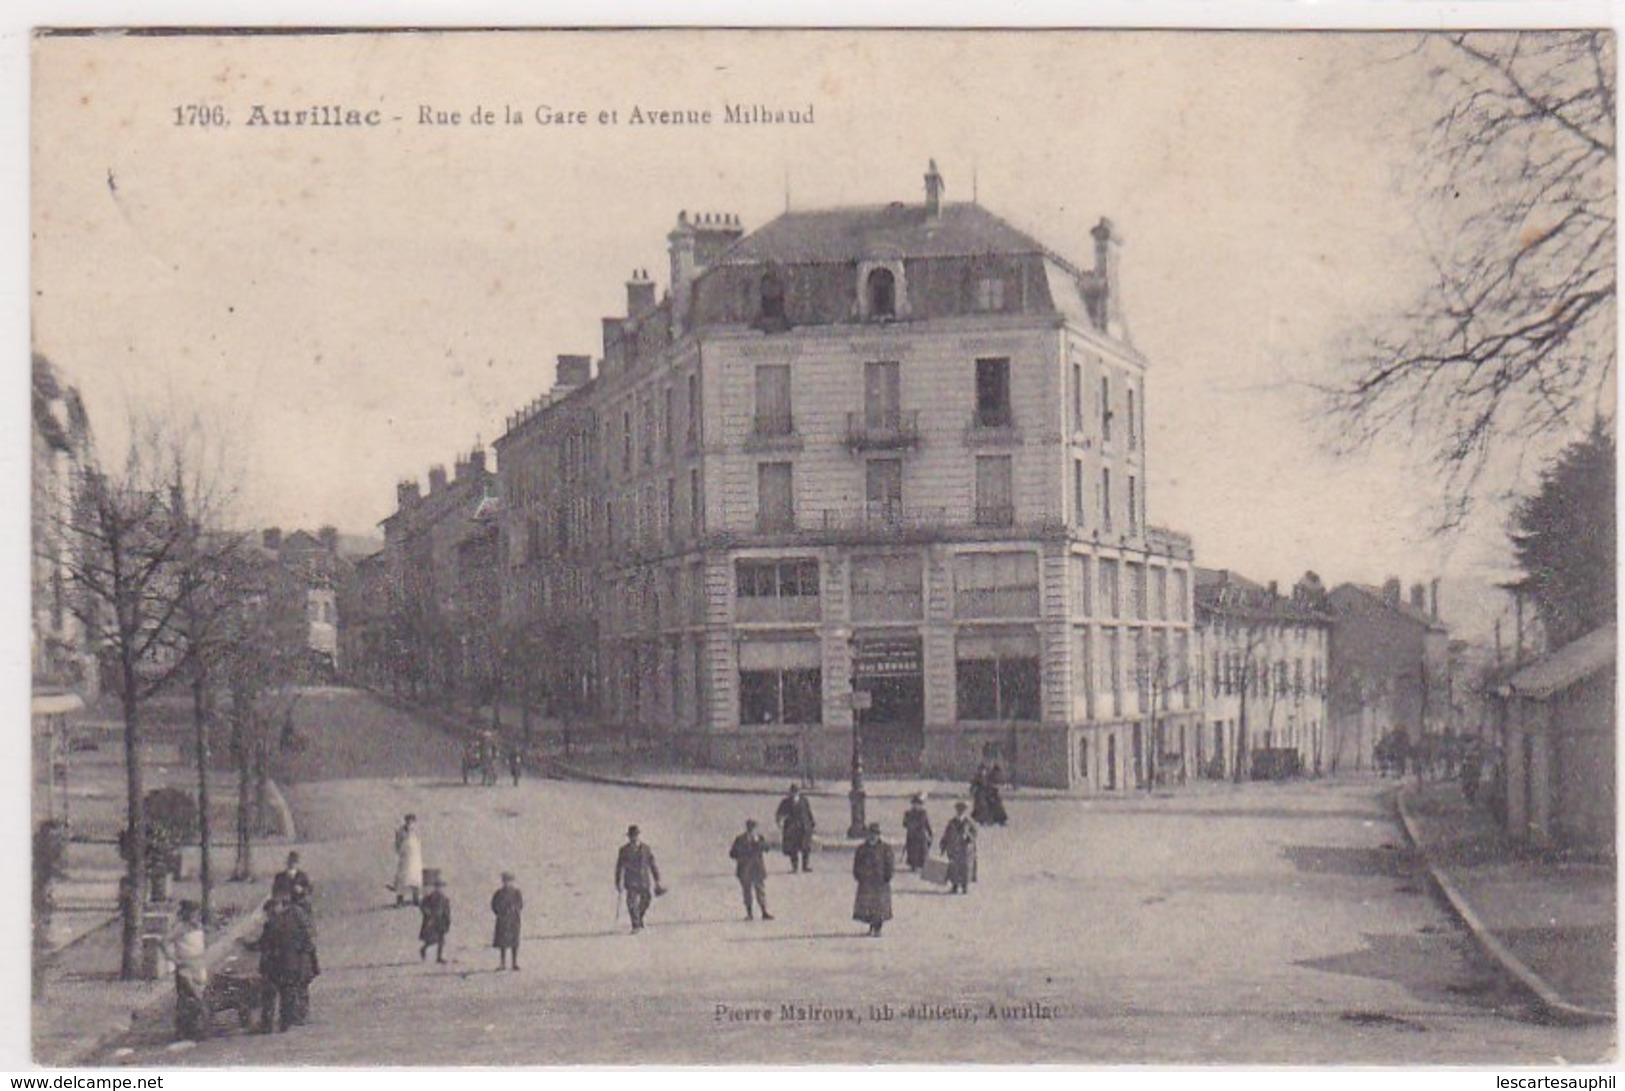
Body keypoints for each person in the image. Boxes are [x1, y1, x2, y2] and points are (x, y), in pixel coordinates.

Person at [244, 889, 317, 1032]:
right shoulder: (294, 921)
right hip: (292, 964)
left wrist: (246, 945)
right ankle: (285, 1024)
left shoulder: (271, 924)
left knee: (269, 996)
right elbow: (306, 941)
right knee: (287, 994)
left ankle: (267, 1025)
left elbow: (262, 944)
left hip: (274, 966)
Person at [164, 900, 209, 1041]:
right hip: (185, 968)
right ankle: (183, 1030)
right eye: (193, 914)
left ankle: (195, 1028)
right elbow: (163, 941)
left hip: (199, 966)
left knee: (199, 997)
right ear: (185, 914)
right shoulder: (180, 928)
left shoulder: (198, 926)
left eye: (197, 913)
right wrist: (172, 959)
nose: (196, 916)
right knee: (187, 999)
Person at [614, 825, 664, 933]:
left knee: (646, 900)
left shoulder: (646, 849)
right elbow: (619, 867)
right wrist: (618, 882)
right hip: (631, 881)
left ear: (638, 836)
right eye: (632, 836)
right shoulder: (624, 850)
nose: (634, 838)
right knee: (631, 902)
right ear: (629, 837)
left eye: (635, 836)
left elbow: (652, 864)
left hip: (644, 880)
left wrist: (657, 880)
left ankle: (639, 917)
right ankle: (635, 925)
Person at [851, 823, 895, 937]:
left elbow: (889, 865)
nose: (873, 837)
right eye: (871, 834)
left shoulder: (885, 849)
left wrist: (887, 877)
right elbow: (856, 865)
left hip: (880, 883)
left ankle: (877, 928)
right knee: (868, 908)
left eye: (875, 834)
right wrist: (859, 876)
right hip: (866, 883)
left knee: (879, 908)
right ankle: (871, 927)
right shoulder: (861, 849)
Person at [728, 819, 773, 921]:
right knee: (747, 892)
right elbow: (732, 853)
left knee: (760, 891)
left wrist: (758, 843)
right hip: (745, 870)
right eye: (751, 828)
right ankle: (749, 913)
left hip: (757, 869)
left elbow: (767, 849)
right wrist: (741, 855)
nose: (753, 830)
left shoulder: (759, 838)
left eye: (754, 828)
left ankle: (764, 912)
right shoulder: (740, 839)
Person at [774, 783, 817, 873]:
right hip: (791, 827)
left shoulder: (804, 801)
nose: (794, 794)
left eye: (796, 792)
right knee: (793, 848)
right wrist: (779, 821)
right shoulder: (786, 802)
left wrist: (812, 823)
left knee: (805, 847)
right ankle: (794, 867)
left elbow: (808, 812)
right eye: (793, 792)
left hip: (804, 826)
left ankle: (805, 866)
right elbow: (779, 813)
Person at [940, 800, 978, 895]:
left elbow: (975, 834)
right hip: (953, 849)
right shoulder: (952, 822)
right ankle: (955, 886)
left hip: (965, 850)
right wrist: (943, 845)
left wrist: (968, 837)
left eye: (962, 810)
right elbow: (947, 834)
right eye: (959, 810)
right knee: (954, 868)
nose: (960, 812)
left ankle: (965, 887)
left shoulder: (969, 822)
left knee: (965, 868)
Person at [491, 871, 523, 971]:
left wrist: (515, 910)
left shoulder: (517, 893)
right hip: (503, 921)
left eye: (509, 881)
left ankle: (514, 963)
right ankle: (502, 963)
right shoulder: (499, 893)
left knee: (514, 942)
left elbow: (520, 904)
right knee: (502, 943)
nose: (507, 883)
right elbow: (494, 905)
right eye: (505, 881)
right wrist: (500, 912)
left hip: (514, 920)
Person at [419, 875, 452, 963]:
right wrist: (427, 914)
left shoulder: (445, 899)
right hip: (432, 921)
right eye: (438, 887)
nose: (440, 889)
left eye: (441, 887)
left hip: (441, 922)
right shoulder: (430, 897)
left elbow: (447, 912)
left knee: (441, 940)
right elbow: (423, 905)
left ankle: (439, 957)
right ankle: (424, 948)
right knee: (433, 939)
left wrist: (447, 922)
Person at [393, 814, 423, 908]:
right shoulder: (401, 832)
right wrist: (401, 852)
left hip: (415, 858)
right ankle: (400, 900)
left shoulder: (416, 832)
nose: (410, 823)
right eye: (408, 821)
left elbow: (419, 843)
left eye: (412, 821)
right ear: (405, 821)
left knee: (416, 878)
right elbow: (397, 845)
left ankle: (416, 898)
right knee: (403, 878)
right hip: (405, 858)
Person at [902, 794, 933, 871]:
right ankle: (913, 865)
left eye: (918, 804)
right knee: (912, 851)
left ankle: (922, 866)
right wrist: (909, 824)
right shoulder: (908, 813)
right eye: (914, 804)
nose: (916, 806)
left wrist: (930, 833)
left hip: (920, 836)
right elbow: (904, 824)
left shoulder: (923, 813)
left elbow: (926, 823)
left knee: (922, 851)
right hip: (911, 835)